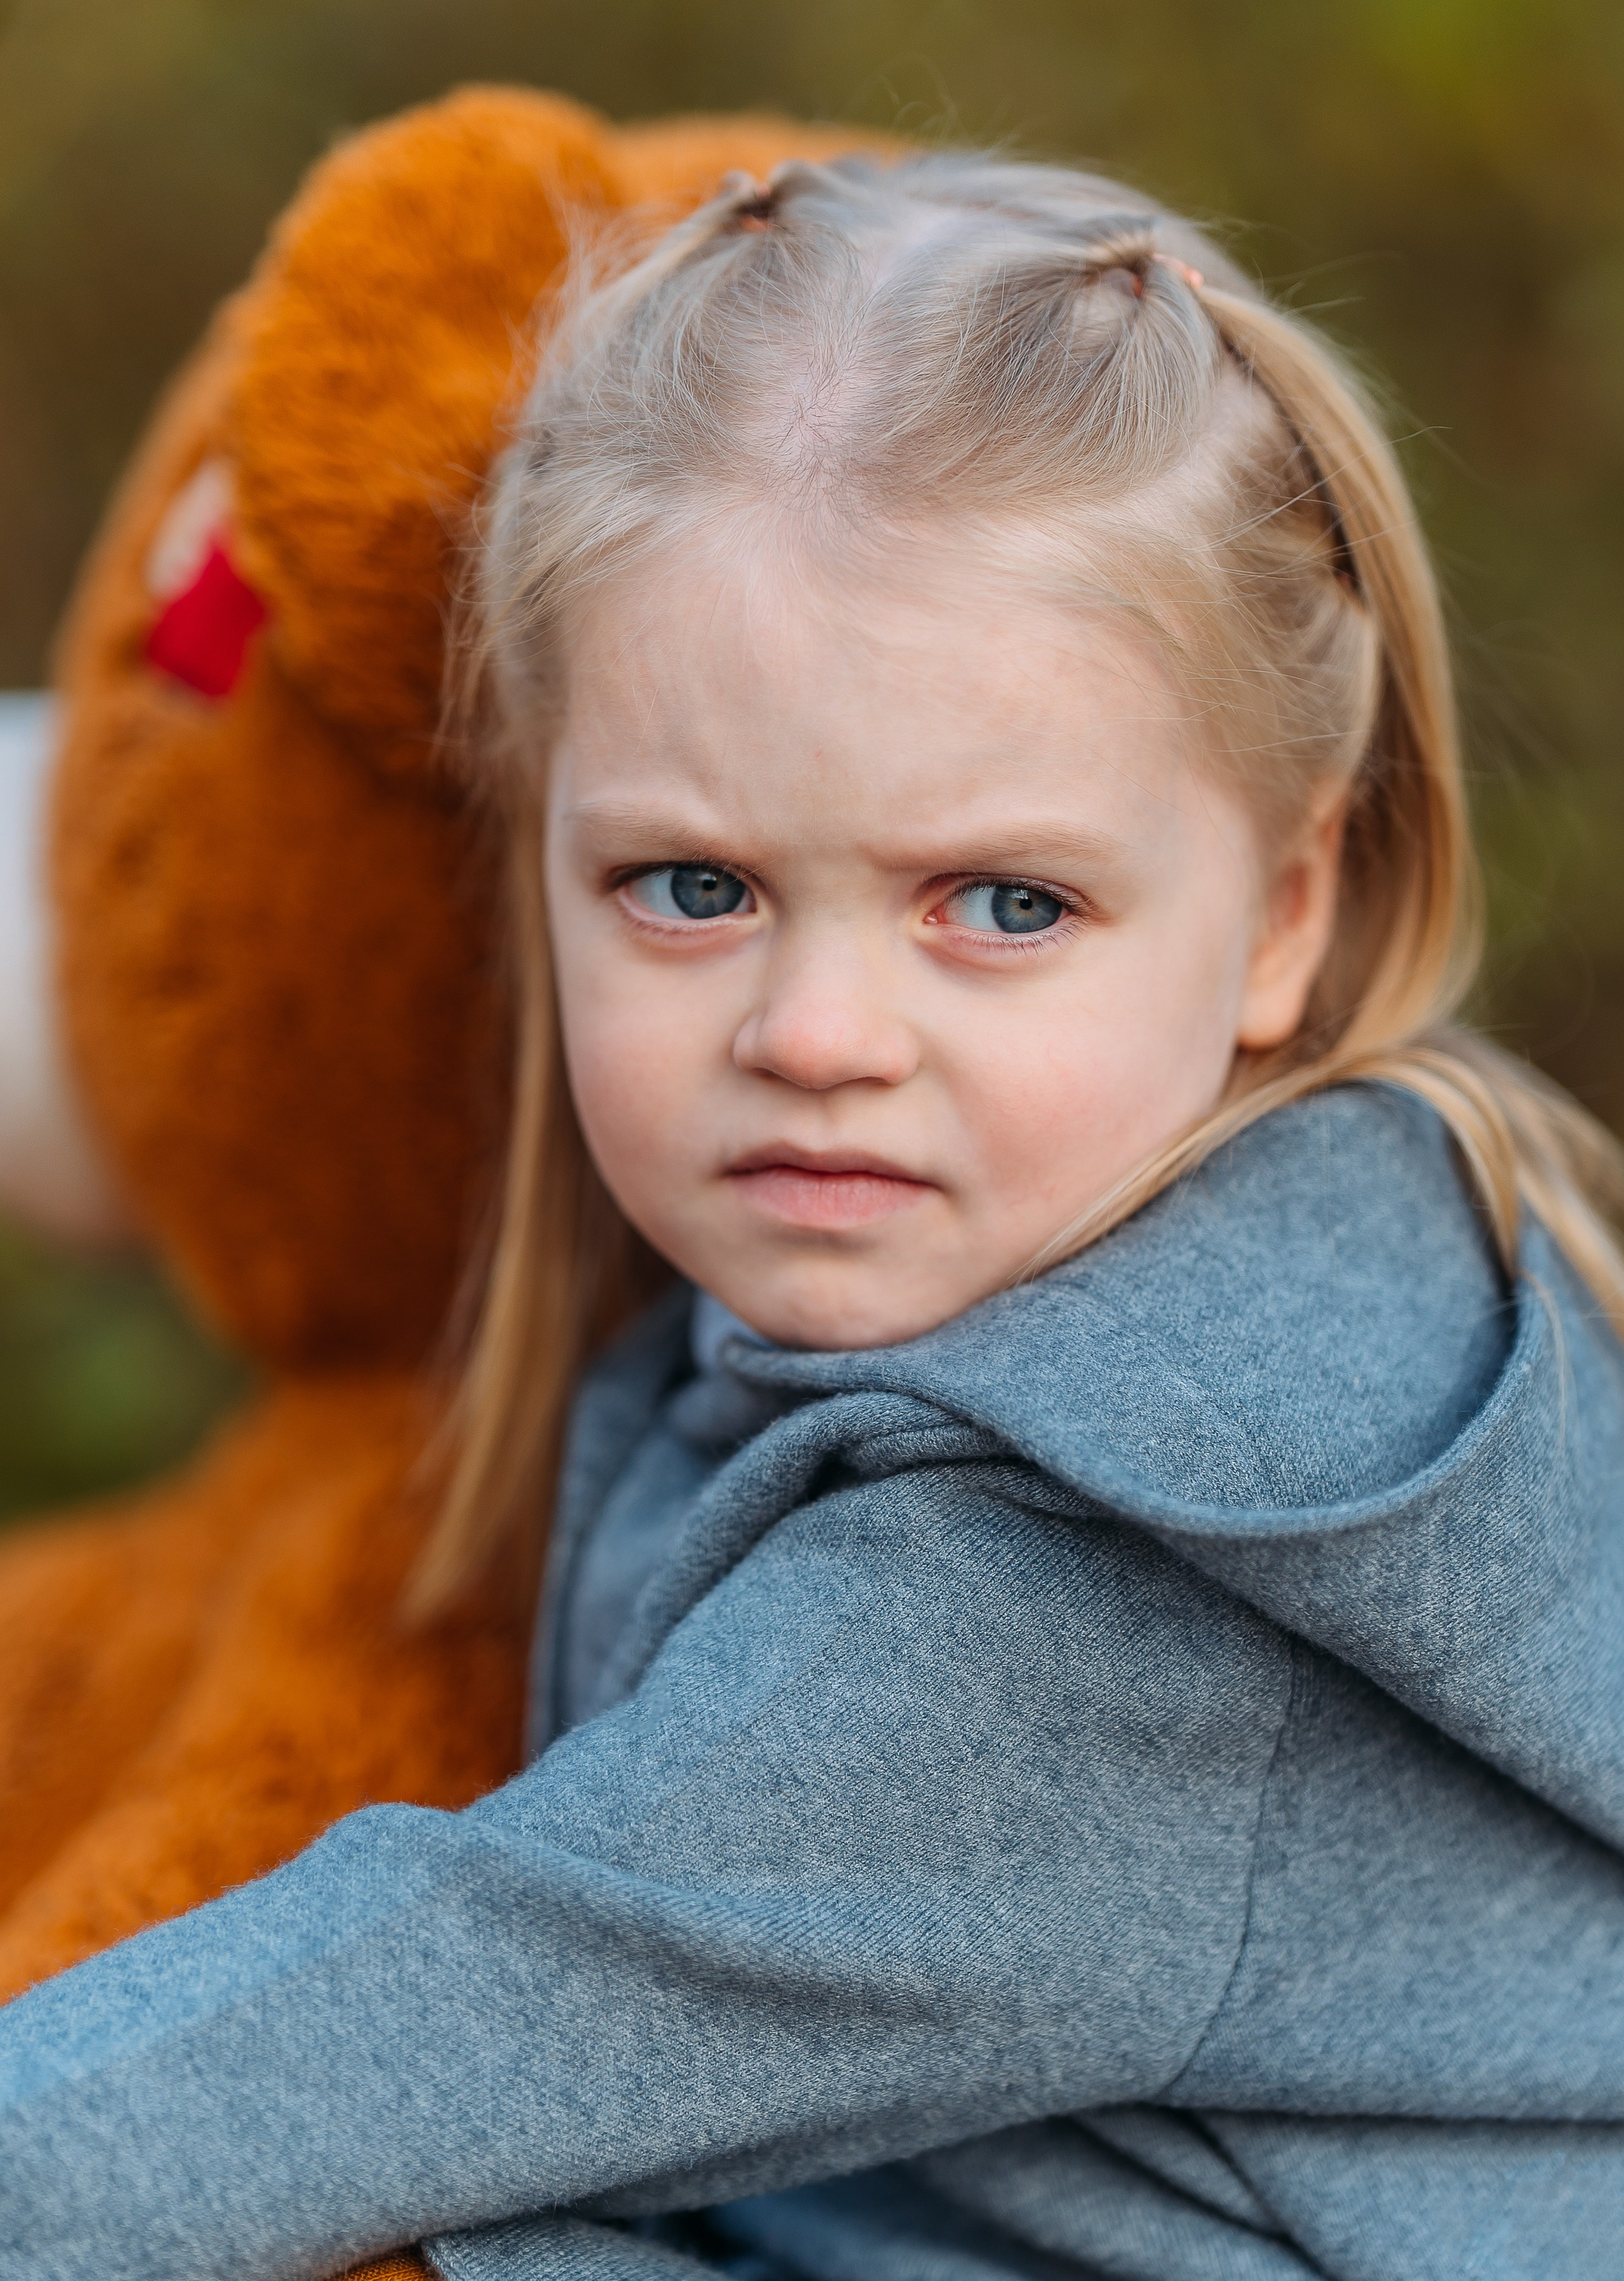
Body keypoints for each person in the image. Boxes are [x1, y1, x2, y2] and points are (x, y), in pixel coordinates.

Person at [6, 150, 1624, 2281]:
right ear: (547, 853)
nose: (820, 1029)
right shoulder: (1073, 1246)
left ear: (1288, 908)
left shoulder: (1083, 1616)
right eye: (695, 886)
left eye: (1006, 904)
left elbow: (369, 2041)